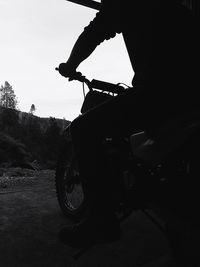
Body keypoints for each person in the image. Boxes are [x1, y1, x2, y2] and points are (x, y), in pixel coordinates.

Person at [57, 0, 198, 247]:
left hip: (159, 92)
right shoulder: (174, 7)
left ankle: (101, 219)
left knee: (83, 129)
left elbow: (93, 33)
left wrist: (70, 66)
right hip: (191, 96)